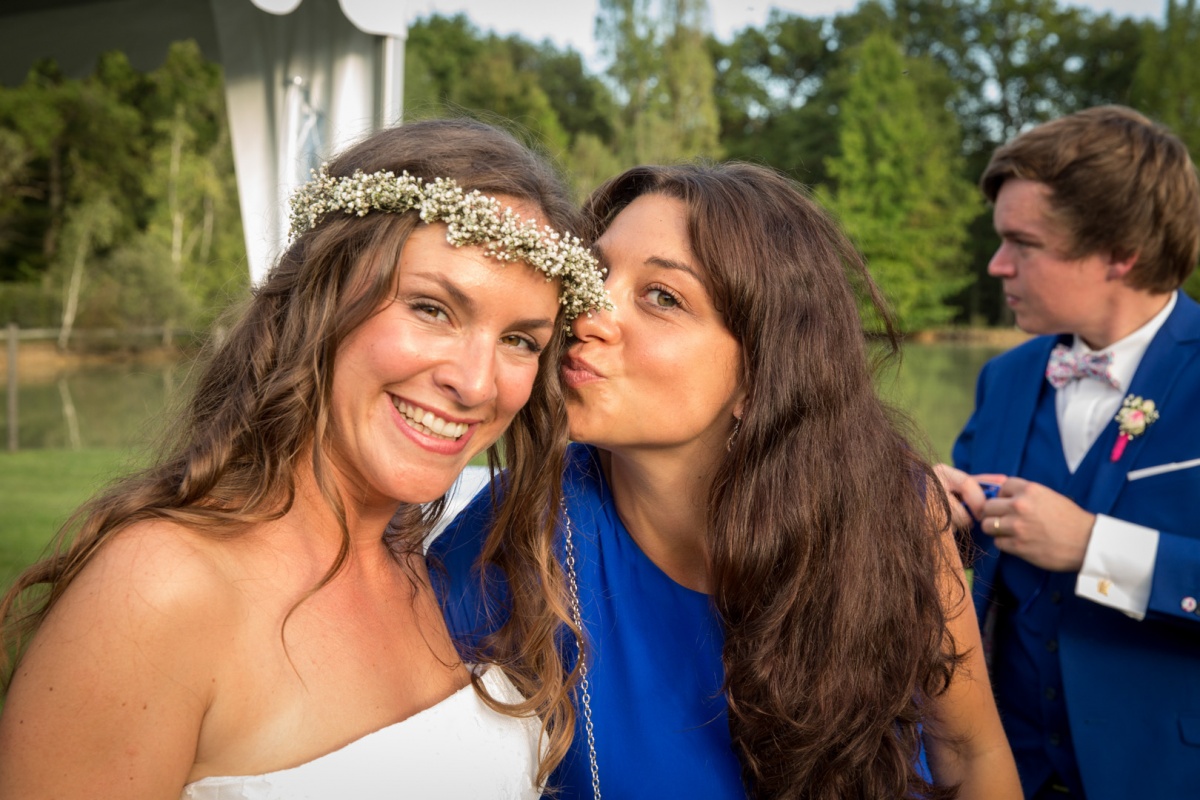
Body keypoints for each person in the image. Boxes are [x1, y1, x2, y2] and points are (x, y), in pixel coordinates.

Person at [0, 118, 609, 799]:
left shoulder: (436, 572)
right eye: (432, 308)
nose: (475, 383)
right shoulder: (160, 592)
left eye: (521, 341)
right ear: (320, 300)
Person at [431, 162, 1021, 799]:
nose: (588, 316)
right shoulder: (513, 529)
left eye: (662, 297)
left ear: (761, 372)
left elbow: (970, 750)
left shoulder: (892, 511)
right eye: (594, 274)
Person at [938, 105, 1200, 800]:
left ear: (1121, 252)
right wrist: (938, 507)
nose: (997, 266)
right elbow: (973, 553)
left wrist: (1092, 545)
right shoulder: (1005, 376)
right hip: (1005, 773)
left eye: (1023, 243)